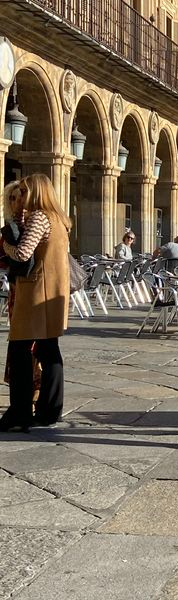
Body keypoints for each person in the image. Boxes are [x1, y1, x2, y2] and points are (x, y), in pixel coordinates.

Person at [0, 174, 70, 432]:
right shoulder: (60, 219)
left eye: (25, 191)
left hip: (35, 293)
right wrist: (19, 216)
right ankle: (50, 411)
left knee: (20, 353)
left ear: (37, 192)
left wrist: (5, 242)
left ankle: (19, 413)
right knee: (49, 350)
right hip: (53, 292)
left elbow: (21, 252)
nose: (21, 196)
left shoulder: (40, 217)